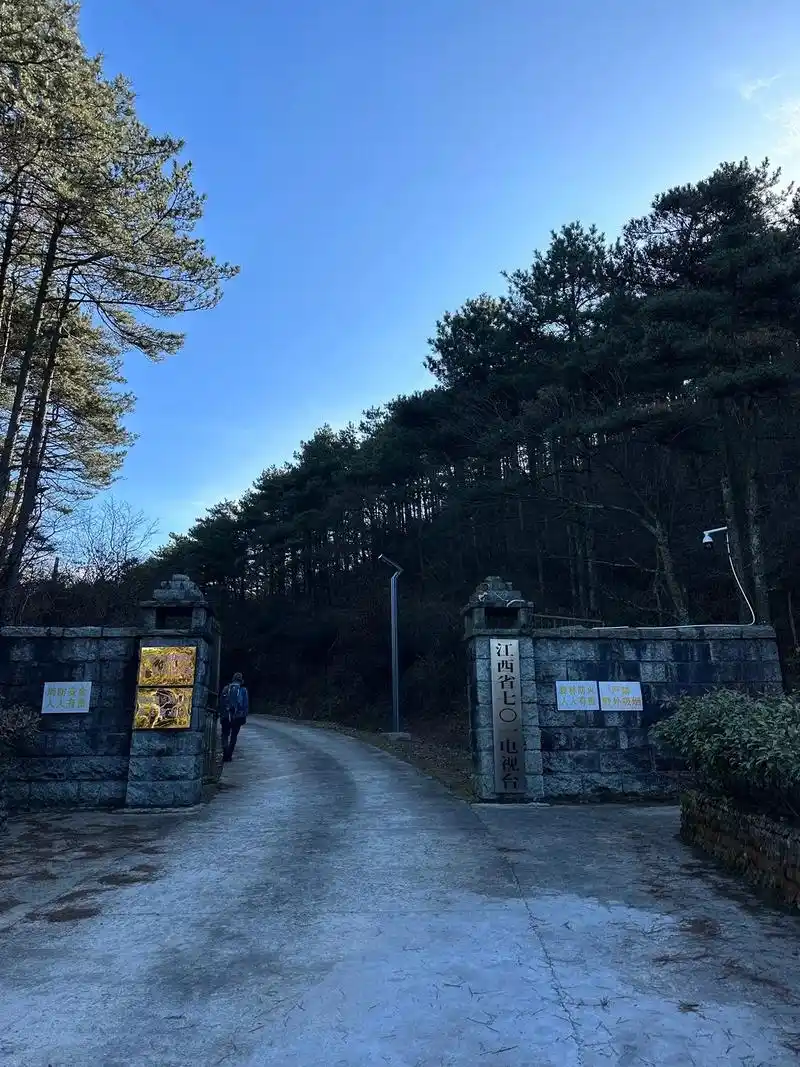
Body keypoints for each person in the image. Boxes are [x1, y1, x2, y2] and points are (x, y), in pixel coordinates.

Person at [220, 671, 249, 762]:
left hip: (225, 716)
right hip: (237, 717)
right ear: (241, 681)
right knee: (233, 736)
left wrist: (221, 714)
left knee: (225, 734)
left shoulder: (226, 688)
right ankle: (229, 755)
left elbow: (221, 703)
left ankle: (225, 752)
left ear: (233, 679)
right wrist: (244, 716)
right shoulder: (243, 690)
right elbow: (245, 705)